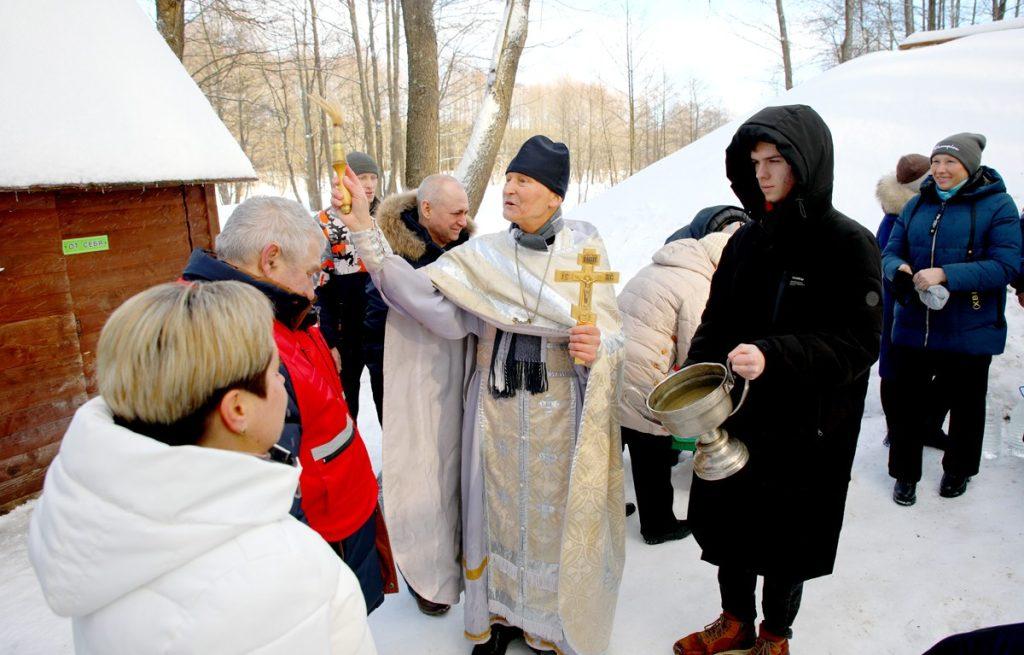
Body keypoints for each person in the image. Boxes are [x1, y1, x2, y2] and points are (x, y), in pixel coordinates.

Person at [332, 135, 625, 655]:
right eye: (508, 179)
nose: (509, 189)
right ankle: (496, 616)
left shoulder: (584, 251)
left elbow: (615, 333)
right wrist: (363, 231)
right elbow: (428, 301)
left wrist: (599, 347)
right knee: (492, 513)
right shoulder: (484, 255)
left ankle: (548, 624)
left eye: (524, 181)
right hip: (493, 410)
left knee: (551, 520)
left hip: (561, 412)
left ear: (555, 195)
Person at [28, 281, 377, 654]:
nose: (282, 381)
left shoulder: (105, 529)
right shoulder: (278, 570)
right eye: (275, 372)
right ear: (238, 409)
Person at [672, 105, 882, 655]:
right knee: (732, 526)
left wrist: (774, 356)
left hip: (809, 425)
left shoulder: (847, 243)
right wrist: (695, 378)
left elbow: (859, 343)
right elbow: (716, 321)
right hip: (740, 414)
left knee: (789, 536)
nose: (762, 173)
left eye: (775, 160)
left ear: (804, 162)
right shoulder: (746, 241)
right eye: (755, 162)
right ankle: (734, 620)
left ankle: (775, 634)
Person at [182, 196, 396, 612]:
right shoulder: (235, 340)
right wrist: (300, 583)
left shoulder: (277, 308)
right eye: (312, 273)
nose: (316, 288)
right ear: (271, 259)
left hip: (341, 514)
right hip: (318, 543)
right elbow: (261, 487)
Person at [882, 133, 1020, 505]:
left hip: (970, 325)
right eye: (936, 162)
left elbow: (1007, 265)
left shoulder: (998, 205)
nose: (941, 170)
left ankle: (959, 469)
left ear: (969, 166)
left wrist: (946, 274)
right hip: (915, 323)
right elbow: (890, 251)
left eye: (950, 162)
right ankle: (905, 475)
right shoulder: (917, 204)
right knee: (908, 404)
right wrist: (899, 269)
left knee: (967, 405)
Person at [618, 205, 748, 545]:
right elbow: (697, 354)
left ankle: (603, 508)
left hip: (613, 366)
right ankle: (658, 525)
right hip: (645, 376)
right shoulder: (699, 286)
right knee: (652, 449)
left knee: (612, 444)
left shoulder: (666, 264)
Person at [363, 174, 475, 427]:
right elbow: (377, 328)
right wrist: (391, 380)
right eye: (456, 213)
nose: (463, 221)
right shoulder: (392, 258)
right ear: (427, 209)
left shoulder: (466, 250)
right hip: (406, 380)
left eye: (466, 213)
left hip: (454, 375)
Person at [876, 154, 950, 451]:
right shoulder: (900, 217)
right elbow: (888, 260)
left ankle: (924, 427)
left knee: (936, 370)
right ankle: (897, 430)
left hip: (926, 304)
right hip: (902, 303)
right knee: (896, 370)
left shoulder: (919, 211)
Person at [317, 151, 382, 423]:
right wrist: (329, 339)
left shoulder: (388, 219)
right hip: (345, 333)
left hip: (383, 331)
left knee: (390, 410)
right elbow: (319, 288)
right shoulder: (325, 223)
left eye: (373, 178)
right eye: (361, 177)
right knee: (345, 410)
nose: (368, 185)